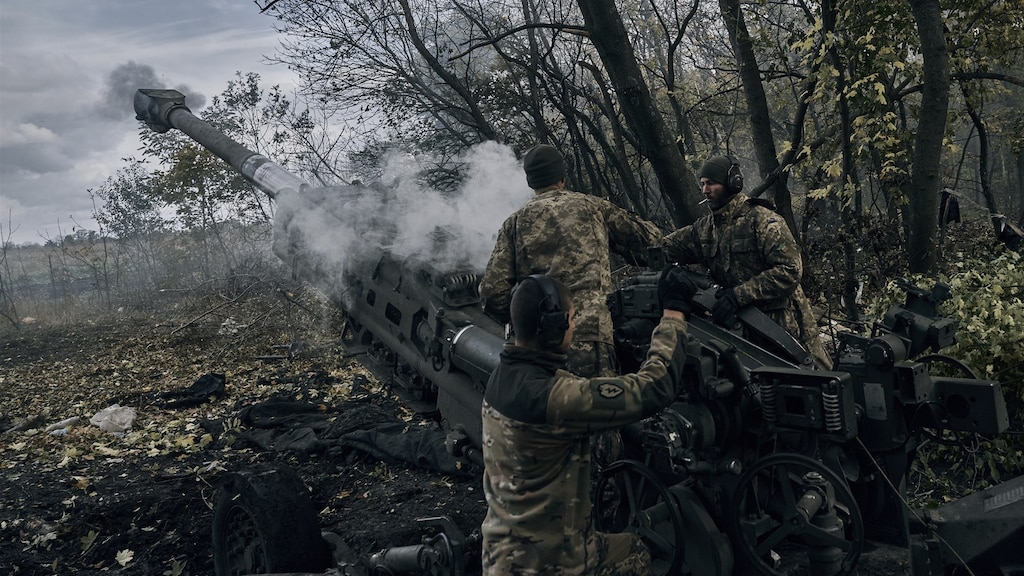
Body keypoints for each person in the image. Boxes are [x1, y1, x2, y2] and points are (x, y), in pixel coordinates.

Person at [480, 270, 696, 575]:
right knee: (635, 552)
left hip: (501, 557)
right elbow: (654, 388)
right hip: (553, 564)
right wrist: (673, 315)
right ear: (552, 329)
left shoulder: (504, 377)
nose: (574, 326)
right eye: (571, 318)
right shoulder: (557, 399)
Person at [480, 143, 662, 378]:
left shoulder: (514, 224)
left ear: (530, 182)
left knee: (550, 412)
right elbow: (650, 238)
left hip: (539, 348)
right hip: (592, 336)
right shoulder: (591, 207)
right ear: (562, 177)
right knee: (599, 408)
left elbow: (493, 295)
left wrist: (525, 325)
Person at [661, 155, 832, 369]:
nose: (705, 190)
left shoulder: (762, 220)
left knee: (819, 385)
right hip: (744, 331)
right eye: (703, 184)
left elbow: (790, 270)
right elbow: (663, 247)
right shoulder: (705, 229)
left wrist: (738, 295)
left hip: (787, 326)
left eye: (711, 183)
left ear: (733, 183)